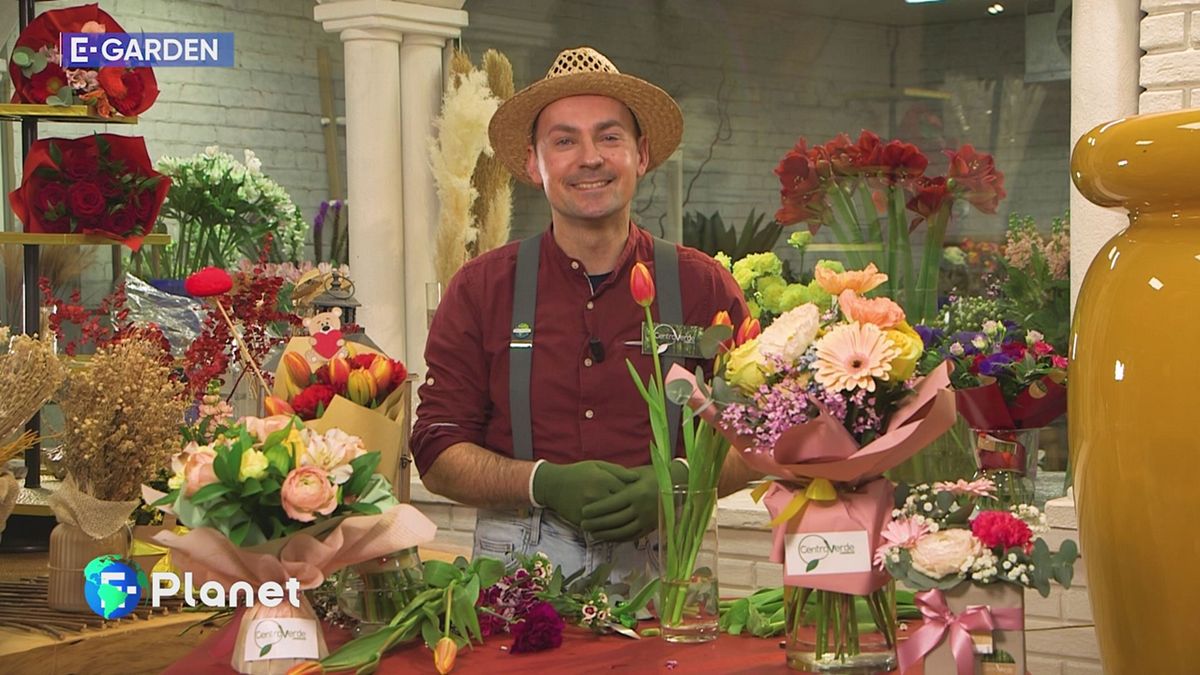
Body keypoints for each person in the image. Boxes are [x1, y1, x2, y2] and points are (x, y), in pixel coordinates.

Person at [411, 47, 757, 580]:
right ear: (534, 163)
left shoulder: (701, 285)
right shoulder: (482, 289)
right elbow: (436, 449)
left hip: (670, 577)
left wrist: (684, 479)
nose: (590, 157)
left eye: (609, 137)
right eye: (565, 140)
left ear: (641, 155)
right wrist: (540, 482)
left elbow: (759, 431)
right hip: (515, 580)